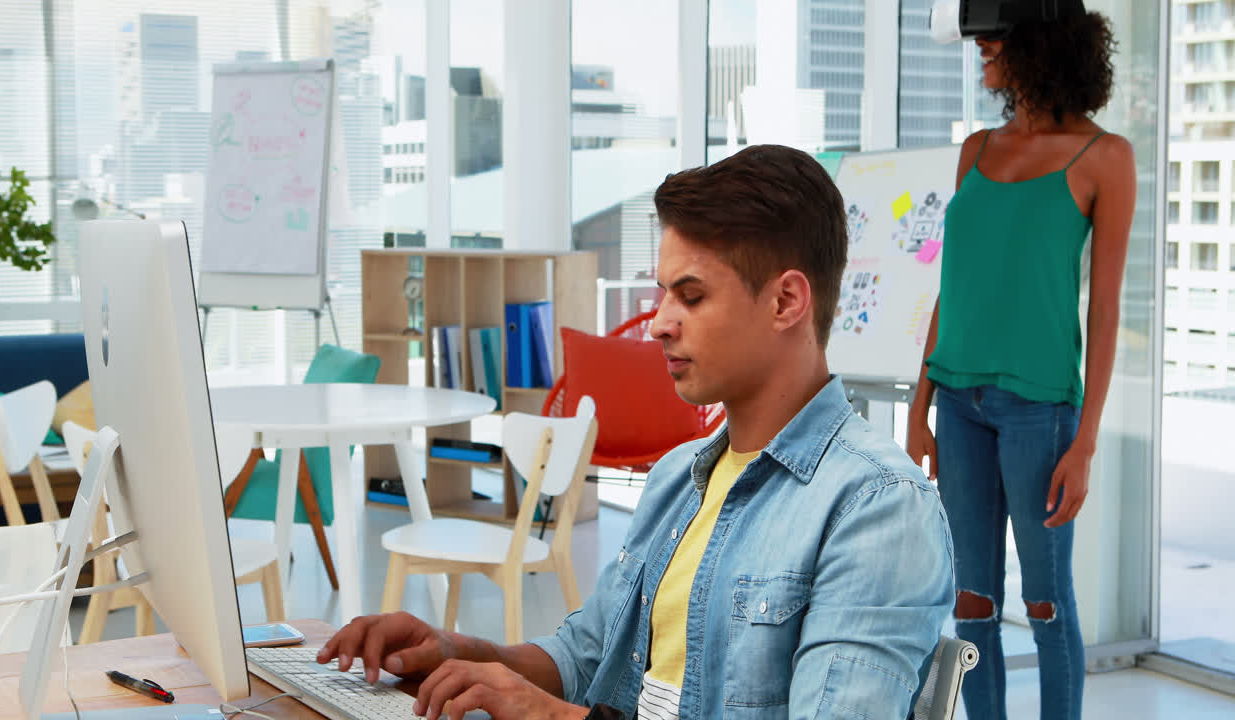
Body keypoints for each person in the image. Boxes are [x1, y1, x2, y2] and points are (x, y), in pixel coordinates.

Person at [319, 144, 954, 720]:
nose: (658, 323)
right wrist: (459, 653)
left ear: (786, 301)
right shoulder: (679, 477)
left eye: (691, 296)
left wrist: (552, 717)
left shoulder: (878, 508)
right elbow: (585, 658)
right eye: (662, 293)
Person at [905, 6, 1136, 720]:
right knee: (971, 602)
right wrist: (918, 406)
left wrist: (1085, 442)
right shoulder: (975, 149)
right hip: (958, 406)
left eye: (995, 39)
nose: (983, 50)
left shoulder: (1104, 156)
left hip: (1042, 412)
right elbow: (951, 287)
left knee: (1046, 602)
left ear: (1042, 44)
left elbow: (1104, 311)